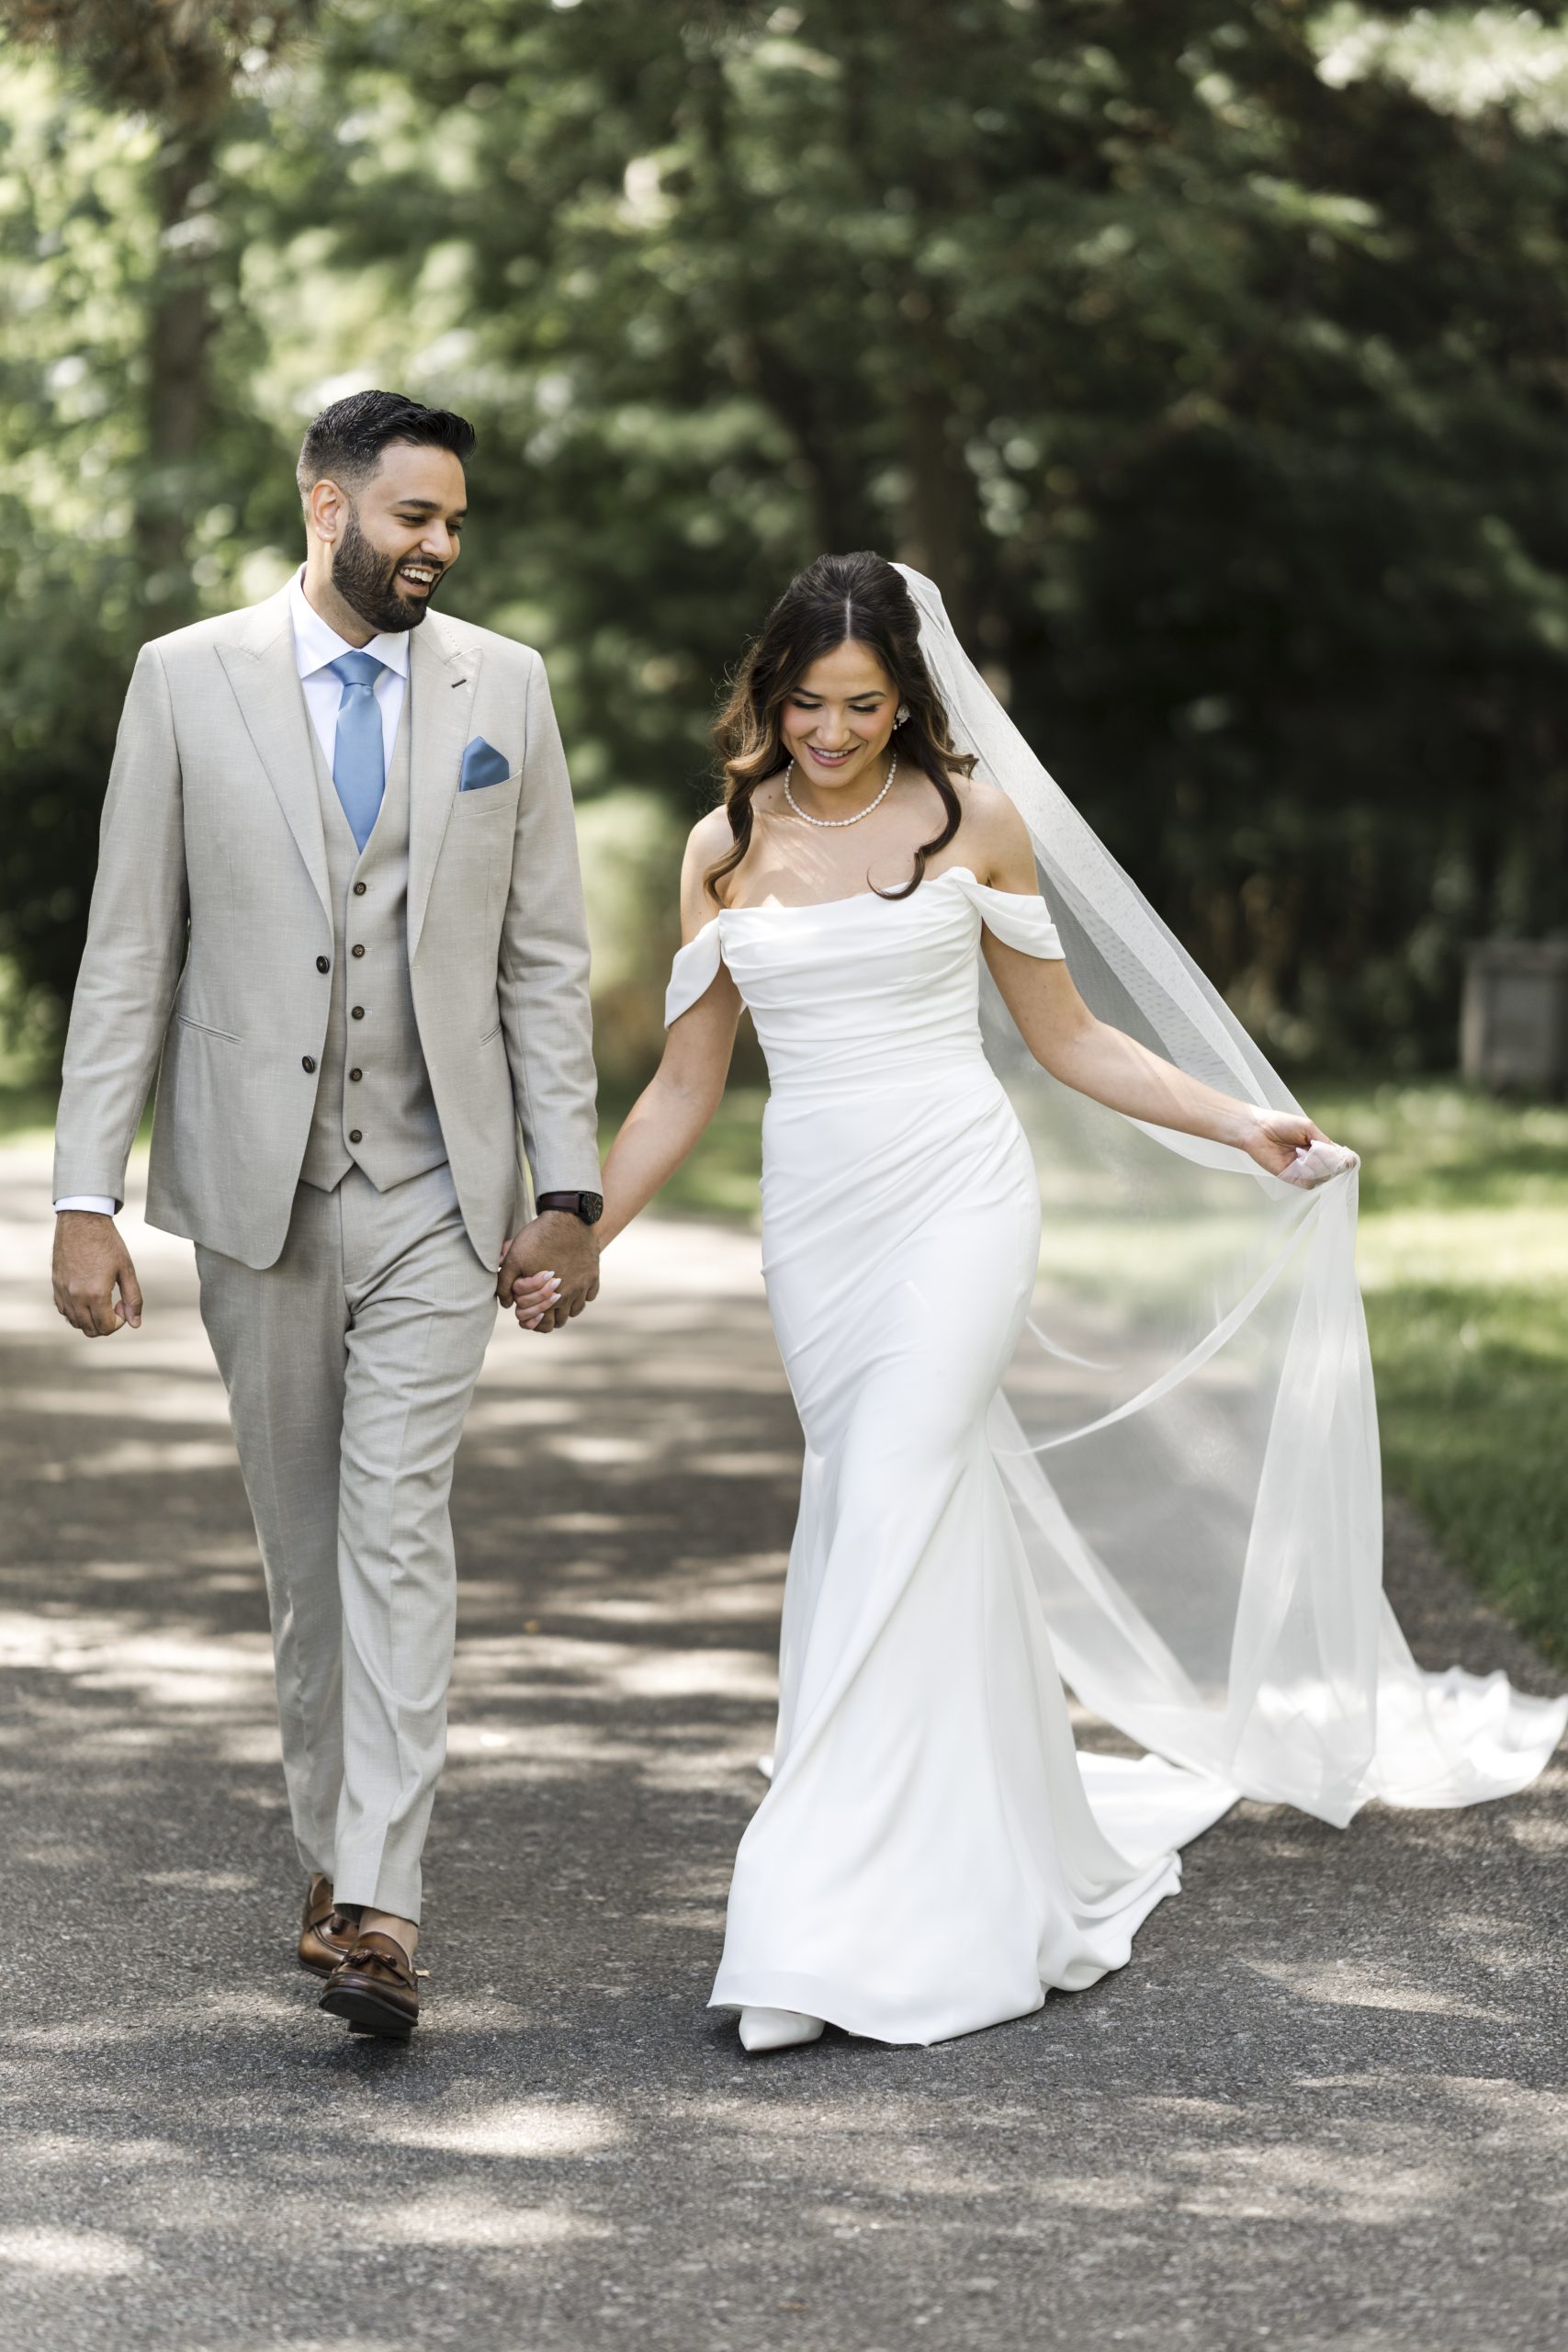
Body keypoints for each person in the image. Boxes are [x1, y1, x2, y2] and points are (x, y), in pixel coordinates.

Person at [571, 549, 1565, 2053]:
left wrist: (1241, 1122)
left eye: (863, 705)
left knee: (896, 1491)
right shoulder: (724, 848)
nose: (832, 734)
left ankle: (816, 1918)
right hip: (818, 1224)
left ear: (908, 700)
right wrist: (582, 1227)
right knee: (881, 1508)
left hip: (960, 1201)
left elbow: (1074, 1040)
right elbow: (684, 1086)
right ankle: (977, 1849)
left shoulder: (972, 820)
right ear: (765, 695)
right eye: (807, 705)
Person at [51, 390, 603, 2039]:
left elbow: (545, 960)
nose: (437, 547)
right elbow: (130, 950)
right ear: (324, 504)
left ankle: (381, 1907)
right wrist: (86, 1195)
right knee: (306, 1554)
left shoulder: (506, 686)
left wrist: (565, 1193)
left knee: (396, 1531)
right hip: (256, 1187)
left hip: (443, 1190)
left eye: (453, 525)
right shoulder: (184, 677)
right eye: (411, 517)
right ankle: (329, 1855)